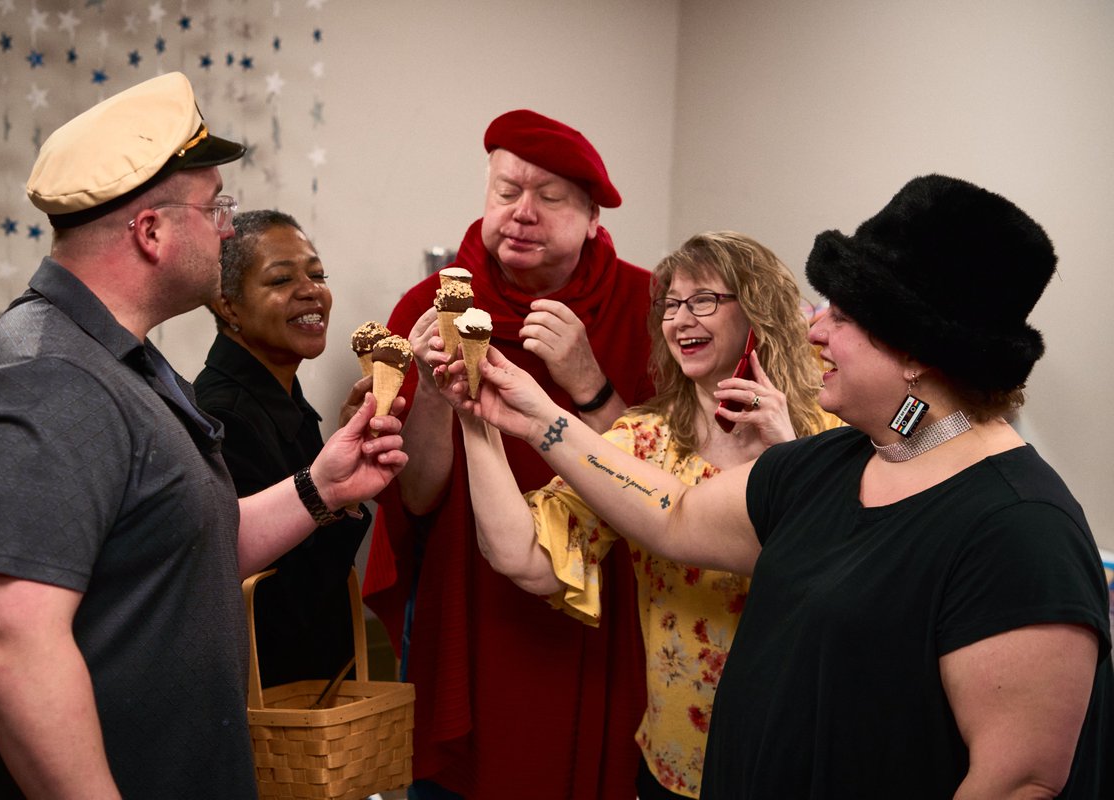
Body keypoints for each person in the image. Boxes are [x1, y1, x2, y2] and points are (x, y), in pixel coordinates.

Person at [447, 175, 1113, 797]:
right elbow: (674, 513)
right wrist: (538, 419)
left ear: (914, 351)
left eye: (843, 316)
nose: (814, 328)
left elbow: (1016, 783)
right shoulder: (834, 461)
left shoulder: (1022, 531)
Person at [0, 73, 406, 799]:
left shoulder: (122, 363)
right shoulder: (41, 376)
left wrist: (321, 487)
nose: (228, 228)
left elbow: (187, 549)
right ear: (151, 232)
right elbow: (11, 647)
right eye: (216, 208)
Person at [449, 232, 835, 799]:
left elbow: (847, 578)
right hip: (678, 764)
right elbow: (524, 558)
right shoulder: (640, 441)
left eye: (704, 299)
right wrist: (476, 420)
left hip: (802, 757)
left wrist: (786, 452)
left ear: (759, 310)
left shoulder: (832, 436)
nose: (681, 320)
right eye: (671, 305)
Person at [362, 109, 653, 799]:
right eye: (506, 191)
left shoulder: (646, 306)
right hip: (472, 593)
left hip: (601, 609)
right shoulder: (426, 308)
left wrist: (592, 383)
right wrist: (431, 394)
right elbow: (419, 500)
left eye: (549, 198)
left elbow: (669, 489)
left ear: (591, 219)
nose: (521, 214)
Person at [194, 209, 373, 688]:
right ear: (228, 306)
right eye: (281, 279)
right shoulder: (224, 415)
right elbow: (282, 597)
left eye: (317, 274)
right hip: (272, 706)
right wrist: (338, 492)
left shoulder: (281, 398)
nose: (310, 289)